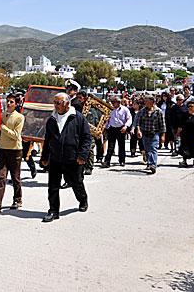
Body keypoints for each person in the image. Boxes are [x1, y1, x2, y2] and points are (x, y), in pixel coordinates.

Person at [41, 93, 92, 222]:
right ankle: (53, 211)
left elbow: (87, 138)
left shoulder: (78, 118)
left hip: (72, 158)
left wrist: (82, 155)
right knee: (53, 186)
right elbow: (48, 139)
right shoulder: (52, 119)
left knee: (76, 182)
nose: (56, 105)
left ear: (67, 103)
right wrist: (44, 157)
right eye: (55, 102)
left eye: (58, 103)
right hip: (55, 158)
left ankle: (83, 200)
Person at [0, 93, 24, 214]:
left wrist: (2, 126)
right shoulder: (1, 116)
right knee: (1, 177)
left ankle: (17, 199)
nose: (8, 103)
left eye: (11, 102)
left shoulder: (19, 117)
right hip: (2, 149)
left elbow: (15, 135)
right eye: (7, 101)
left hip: (15, 150)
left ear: (16, 104)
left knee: (15, 177)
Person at [135, 95, 166, 175]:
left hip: (155, 132)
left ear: (151, 102)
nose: (145, 103)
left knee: (153, 148)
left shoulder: (158, 111)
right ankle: (149, 162)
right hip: (145, 132)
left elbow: (162, 124)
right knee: (147, 149)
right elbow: (138, 122)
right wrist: (138, 130)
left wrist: (163, 135)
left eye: (146, 101)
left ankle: (153, 165)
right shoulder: (142, 111)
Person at [102, 96, 132, 167]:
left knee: (121, 145)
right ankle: (107, 161)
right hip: (112, 128)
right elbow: (107, 120)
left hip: (121, 128)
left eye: (113, 102)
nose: (112, 104)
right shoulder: (110, 110)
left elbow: (129, 118)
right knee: (111, 146)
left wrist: (126, 126)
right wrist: (105, 129)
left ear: (118, 102)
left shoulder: (125, 109)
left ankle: (122, 160)